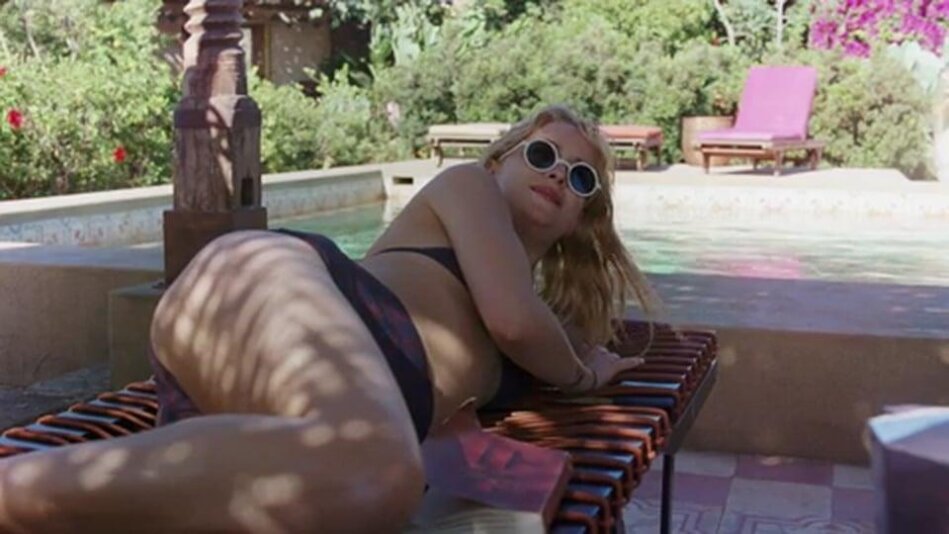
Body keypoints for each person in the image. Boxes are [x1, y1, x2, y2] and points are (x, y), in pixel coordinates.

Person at [0, 104, 660, 533]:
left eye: (581, 179)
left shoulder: (535, 312)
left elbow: (530, 327)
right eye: (543, 155)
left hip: (280, 414)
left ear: (583, 218)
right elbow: (514, 321)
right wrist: (581, 375)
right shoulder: (469, 187)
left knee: (362, 482)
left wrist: (582, 352)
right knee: (375, 472)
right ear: (499, 161)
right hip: (271, 283)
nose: (559, 175)